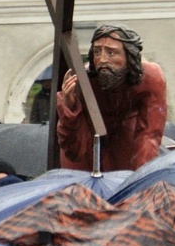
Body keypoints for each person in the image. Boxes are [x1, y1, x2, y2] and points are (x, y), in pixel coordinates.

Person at [56, 24, 167, 171]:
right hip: (88, 143)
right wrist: (69, 107)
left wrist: (141, 178)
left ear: (129, 56)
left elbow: (149, 134)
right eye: (97, 52)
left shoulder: (151, 78)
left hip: (126, 140)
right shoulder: (82, 80)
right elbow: (73, 147)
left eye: (111, 53)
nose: (102, 59)